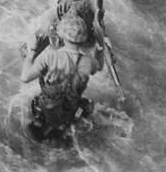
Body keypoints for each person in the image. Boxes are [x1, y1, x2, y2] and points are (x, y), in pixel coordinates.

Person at [19, 13, 103, 141]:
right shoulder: (88, 61)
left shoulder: (51, 57)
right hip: (71, 112)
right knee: (84, 104)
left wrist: (32, 51)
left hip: (47, 112)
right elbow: (99, 66)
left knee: (36, 102)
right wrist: (100, 46)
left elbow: (25, 77)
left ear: (62, 34)